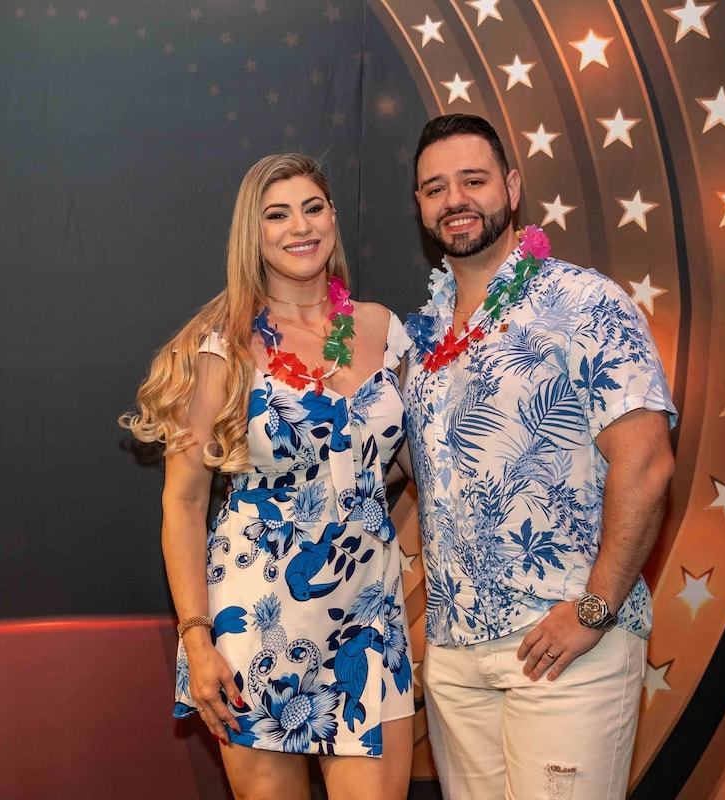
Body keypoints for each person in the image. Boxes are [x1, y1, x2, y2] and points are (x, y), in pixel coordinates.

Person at [398, 114, 677, 799]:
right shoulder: (418, 341)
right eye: (435, 188)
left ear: (513, 187)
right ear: (420, 207)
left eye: (473, 180)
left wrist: (595, 608)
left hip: (565, 647)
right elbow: (408, 465)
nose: (455, 199)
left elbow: (647, 464)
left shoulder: (585, 302)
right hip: (456, 660)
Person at [125, 153, 414, 800]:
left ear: (333, 217)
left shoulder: (383, 330)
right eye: (277, 215)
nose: (300, 227)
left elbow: (407, 463)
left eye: (313, 208)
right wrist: (196, 638)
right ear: (251, 236)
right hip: (258, 621)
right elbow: (183, 503)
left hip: (370, 620)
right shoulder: (221, 345)